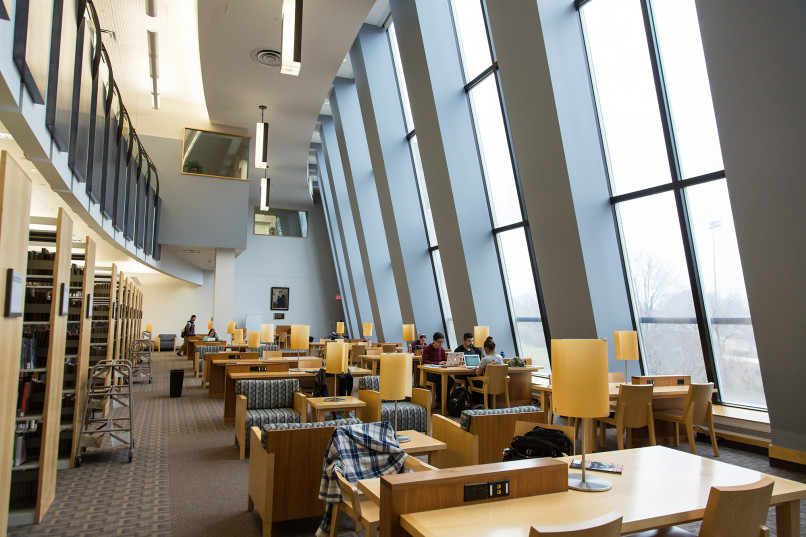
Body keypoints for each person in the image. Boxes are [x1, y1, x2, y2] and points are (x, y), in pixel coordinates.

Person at [470, 338, 504, 406]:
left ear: (486, 348)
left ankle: (478, 403)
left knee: (471, 381)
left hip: (487, 384)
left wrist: (477, 368)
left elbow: (478, 373)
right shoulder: (500, 358)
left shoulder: (485, 359)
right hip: (500, 383)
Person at [421, 332, 452, 401]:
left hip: (440, 372)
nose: (441, 344)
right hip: (429, 373)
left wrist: (448, 362)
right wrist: (438, 363)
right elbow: (425, 361)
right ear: (434, 341)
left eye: (442, 342)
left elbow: (445, 360)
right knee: (440, 379)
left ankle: (446, 399)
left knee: (450, 380)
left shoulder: (442, 350)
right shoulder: (427, 349)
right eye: (439, 342)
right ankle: (439, 400)